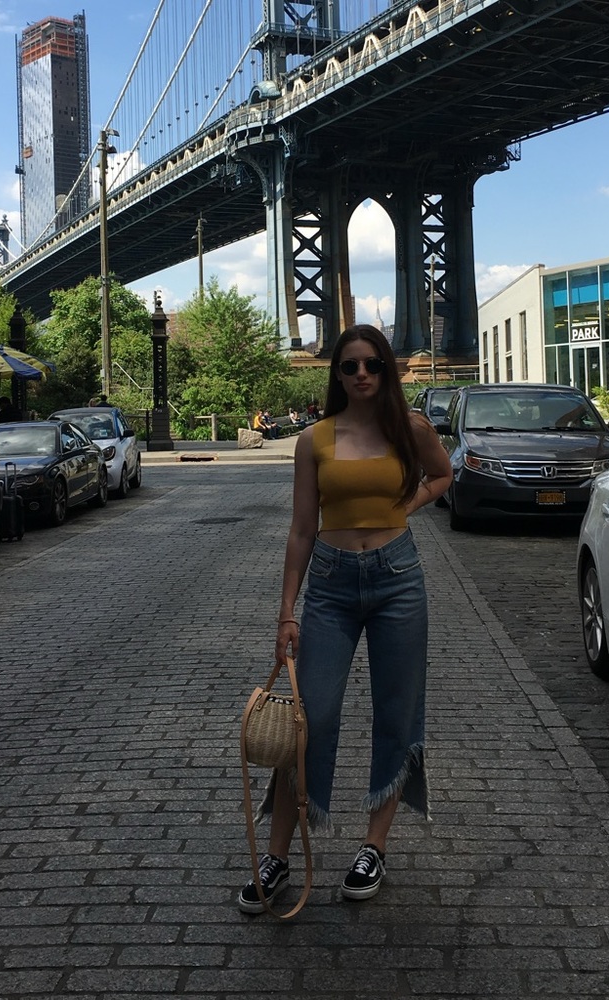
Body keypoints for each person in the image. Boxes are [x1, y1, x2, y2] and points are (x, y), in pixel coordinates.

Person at [237, 324, 453, 914]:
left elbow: (443, 475)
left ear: (388, 372)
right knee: (312, 718)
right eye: (350, 366)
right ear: (336, 375)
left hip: (398, 578)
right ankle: (277, 855)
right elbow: (302, 529)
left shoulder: (410, 430)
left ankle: (373, 845)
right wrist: (287, 610)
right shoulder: (315, 440)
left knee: (397, 712)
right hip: (330, 585)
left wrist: (406, 504)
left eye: (372, 365)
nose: (361, 374)